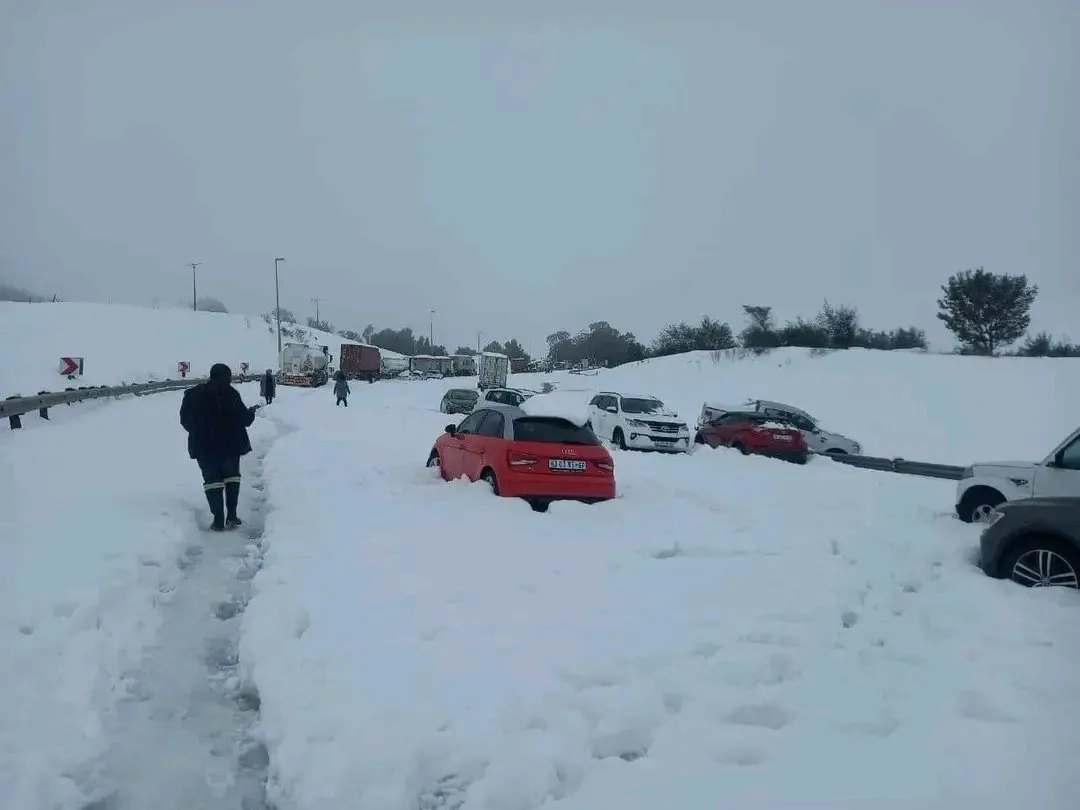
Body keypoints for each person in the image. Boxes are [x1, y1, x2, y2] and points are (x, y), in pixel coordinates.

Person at [180, 363, 259, 531]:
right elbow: (245, 420)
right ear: (227, 377)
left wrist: (201, 430)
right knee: (232, 480)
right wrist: (251, 413)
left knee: (212, 483)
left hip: (204, 449)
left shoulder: (193, 395)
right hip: (230, 448)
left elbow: (185, 421)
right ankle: (231, 516)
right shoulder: (231, 394)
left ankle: (218, 520)